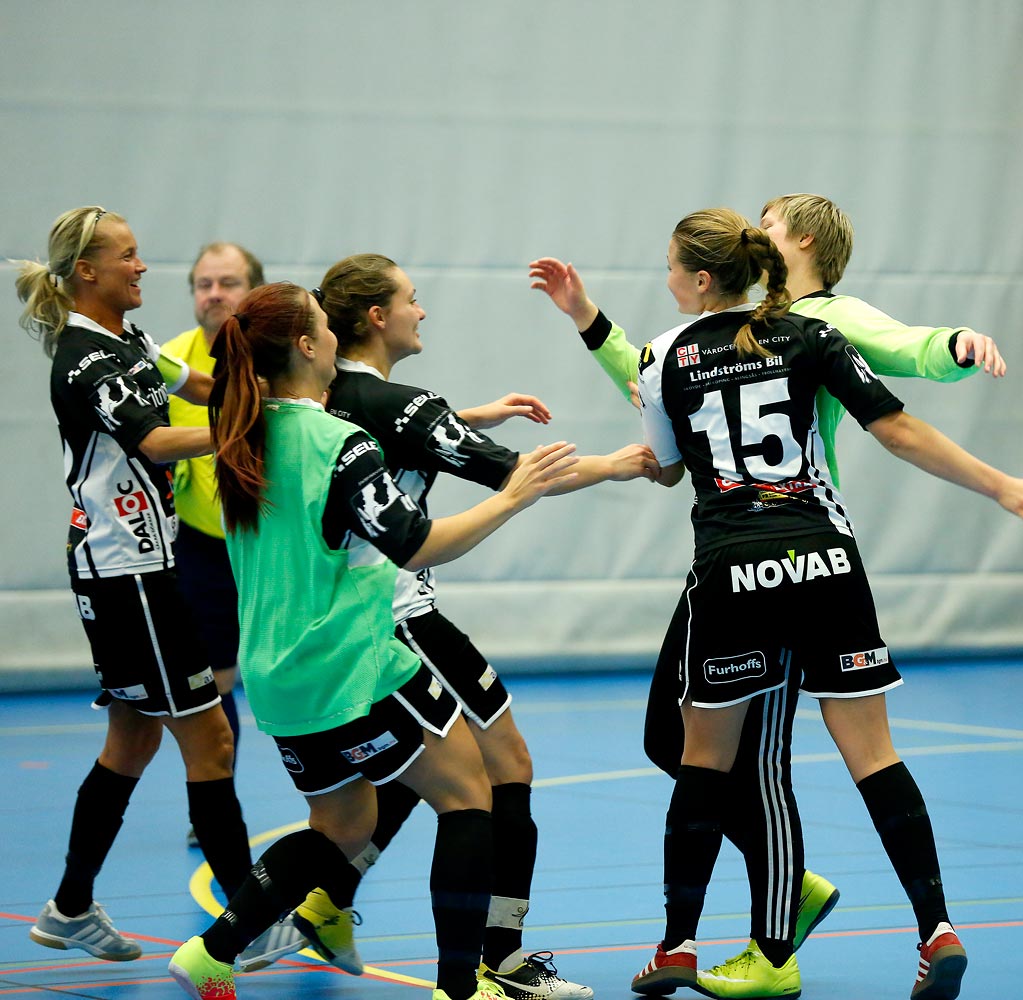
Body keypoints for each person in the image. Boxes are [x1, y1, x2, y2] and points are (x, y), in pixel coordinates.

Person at [529, 193, 1020, 997]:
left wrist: (954, 345)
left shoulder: (698, 347)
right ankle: (935, 925)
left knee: (711, 760)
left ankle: (703, 942)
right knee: (869, 755)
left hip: (734, 565)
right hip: (825, 560)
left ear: (697, 278)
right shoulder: (809, 334)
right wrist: (1000, 486)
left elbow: (663, 450)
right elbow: (894, 425)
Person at [165, 282, 579, 1000]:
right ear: (306, 345)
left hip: (278, 678)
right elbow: (416, 544)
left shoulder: (243, 437)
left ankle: (213, 951)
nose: (333, 336)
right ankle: (461, 986)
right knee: (468, 795)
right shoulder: (338, 443)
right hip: (356, 664)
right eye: (324, 325)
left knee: (343, 824)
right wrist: (511, 497)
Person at [277, 252, 655, 999]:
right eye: (413, 301)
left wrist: (465, 414)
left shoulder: (324, 396)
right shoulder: (405, 406)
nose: (424, 312)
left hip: (339, 621)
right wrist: (614, 464)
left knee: (434, 770)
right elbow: (513, 472)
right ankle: (499, 959)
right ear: (378, 317)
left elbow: (395, 428)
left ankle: (327, 904)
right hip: (403, 616)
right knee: (503, 769)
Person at [13, 206, 253, 963]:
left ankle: (70, 908)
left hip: (142, 567)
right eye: (129, 256)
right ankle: (251, 919)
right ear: (88, 271)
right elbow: (153, 439)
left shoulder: (129, 340)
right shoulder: (86, 359)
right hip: (129, 575)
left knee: (132, 739)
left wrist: (285, 401)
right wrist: (252, 433)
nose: (142, 266)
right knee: (210, 736)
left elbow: (200, 381)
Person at [163, 242, 265, 847]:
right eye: (204, 283)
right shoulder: (173, 361)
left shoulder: (277, 355)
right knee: (214, 681)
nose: (214, 294)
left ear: (253, 290)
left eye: (228, 283)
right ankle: (214, 810)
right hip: (204, 545)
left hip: (275, 540)